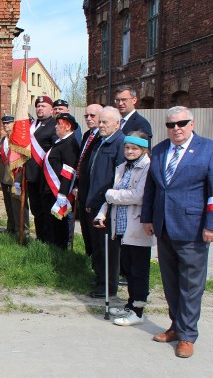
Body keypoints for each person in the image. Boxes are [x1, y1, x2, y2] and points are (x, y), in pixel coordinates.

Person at [141, 106, 213, 358]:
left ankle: (188, 335)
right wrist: (147, 217)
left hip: (193, 228)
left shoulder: (210, 149)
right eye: (171, 125)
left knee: (190, 285)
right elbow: (152, 189)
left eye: (181, 123)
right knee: (170, 282)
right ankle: (176, 326)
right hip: (164, 226)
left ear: (192, 123)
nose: (176, 128)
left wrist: (212, 224)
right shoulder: (158, 151)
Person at [93, 131, 155, 326]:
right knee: (127, 268)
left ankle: (138, 310)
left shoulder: (147, 167)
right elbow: (111, 196)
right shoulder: (122, 167)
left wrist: (111, 196)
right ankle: (129, 304)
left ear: (143, 149)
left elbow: (139, 195)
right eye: (127, 147)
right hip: (120, 226)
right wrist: (101, 214)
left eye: (134, 148)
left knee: (139, 269)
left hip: (137, 225)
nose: (129, 151)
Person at [85, 106, 125, 298]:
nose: (100, 125)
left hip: (107, 204)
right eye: (99, 121)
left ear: (117, 124)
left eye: (104, 122)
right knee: (99, 246)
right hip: (94, 200)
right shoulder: (101, 141)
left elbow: (118, 178)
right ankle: (101, 278)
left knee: (108, 247)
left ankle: (109, 286)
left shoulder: (119, 143)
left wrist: (107, 205)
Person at [42, 113, 80, 249]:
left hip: (58, 190)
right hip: (51, 189)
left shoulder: (70, 143)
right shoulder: (60, 141)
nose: (56, 127)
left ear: (68, 126)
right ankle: (52, 247)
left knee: (59, 224)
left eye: (59, 124)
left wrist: (63, 193)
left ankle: (60, 250)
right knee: (51, 222)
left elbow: (69, 171)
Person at [25, 96, 58, 242]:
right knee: (36, 209)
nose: (40, 108)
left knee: (46, 210)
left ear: (51, 109)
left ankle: (48, 240)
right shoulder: (32, 125)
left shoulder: (55, 125)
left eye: (43, 106)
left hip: (46, 176)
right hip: (32, 175)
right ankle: (39, 238)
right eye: (38, 106)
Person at [75, 103, 103, 257]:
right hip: (83, 188)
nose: (89, 118)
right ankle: (89, 257)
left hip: (95, 191)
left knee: (94, 231)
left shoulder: (102, 137)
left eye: (93, 115)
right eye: (86, 116)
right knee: (85, 228)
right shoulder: (87, 135)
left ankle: (97, 263)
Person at [0, 114, 29, 235]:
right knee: (9, 206)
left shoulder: (18, 140)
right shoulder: (3, 140)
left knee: (18, 207)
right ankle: (10, 228)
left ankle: (22, 231)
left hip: (16, 177)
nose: (5, 125)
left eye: (8, 123)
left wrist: (19, 179)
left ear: (14, 124)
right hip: (4, 177)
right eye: (4, 123)